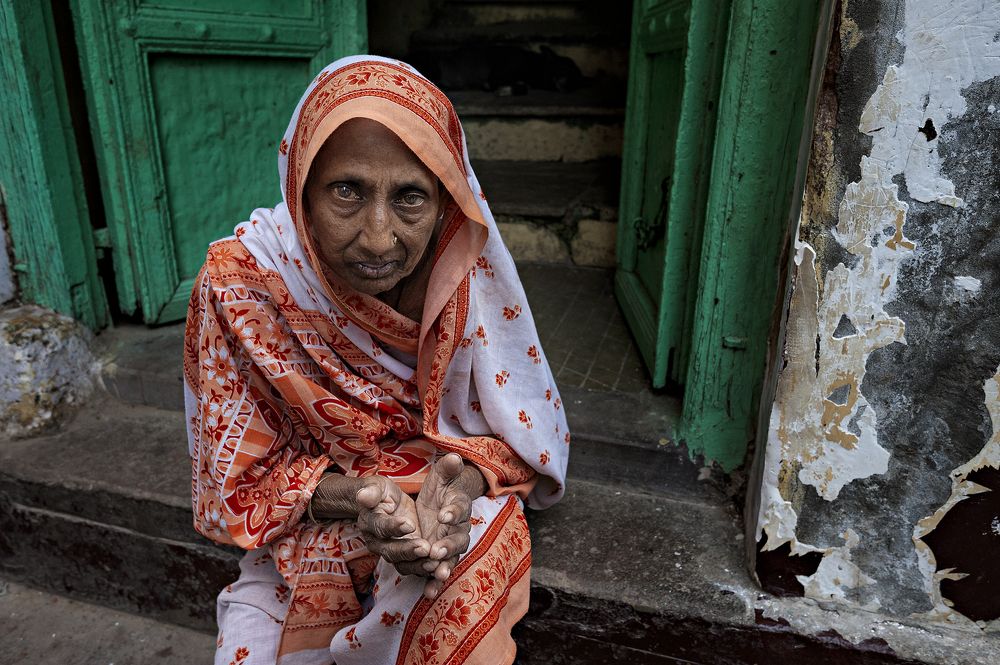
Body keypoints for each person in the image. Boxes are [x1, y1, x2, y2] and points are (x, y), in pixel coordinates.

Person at [183, 55, 569, 665]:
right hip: (312, 519)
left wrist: (458, 491)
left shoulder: (465, 274)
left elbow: (521, 434)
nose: (378, 238)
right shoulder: (243, 286)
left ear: (445, 201)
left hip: (433, 500)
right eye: (346, 191)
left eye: (411, 197)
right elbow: (240, 482)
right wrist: (367, 497)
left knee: (460, 567)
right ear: (300, 189)